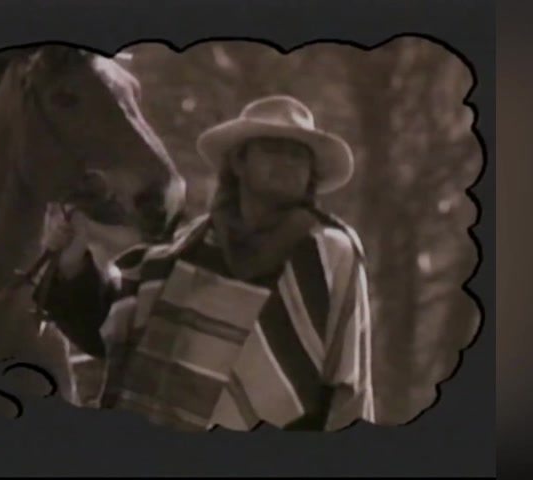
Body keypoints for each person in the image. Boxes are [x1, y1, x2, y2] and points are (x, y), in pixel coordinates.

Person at [36, 95, 375, 432]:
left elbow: (346, 381)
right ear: (239, 163)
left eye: (299, 155)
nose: (287, 162)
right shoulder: (189, 249)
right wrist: (73, 264)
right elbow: (113, 330)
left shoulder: (327, 254)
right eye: (273, 149)